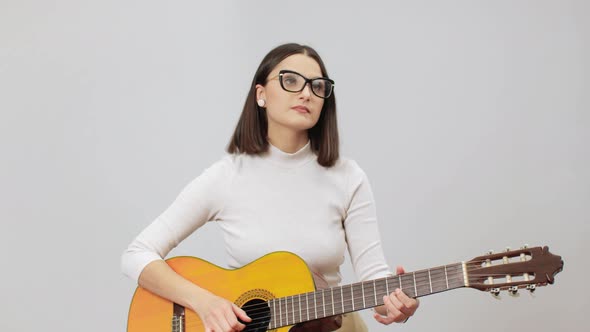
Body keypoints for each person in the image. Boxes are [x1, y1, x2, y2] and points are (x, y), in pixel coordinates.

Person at [121, 43, 419, 331]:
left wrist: (396, 306)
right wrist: (205, 303)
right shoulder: (226, 177)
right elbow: (136, 254)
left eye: (317, 86)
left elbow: (374, 282)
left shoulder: (348, 177)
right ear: (261, 94)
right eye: (291, 80)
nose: (306, 93)